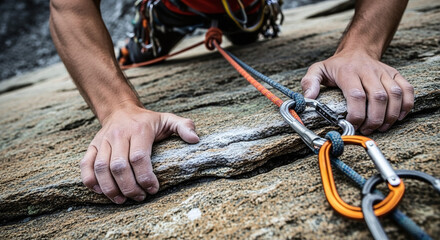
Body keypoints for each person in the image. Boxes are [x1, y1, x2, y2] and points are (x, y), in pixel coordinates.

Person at [49, 0, 414, 204]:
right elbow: (69, 6)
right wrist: (117, 107)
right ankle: (147, 35)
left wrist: (360, 47)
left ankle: (246, 19)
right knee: (146, 44)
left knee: (247, 26)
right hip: (170, 6)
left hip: (246, 6)